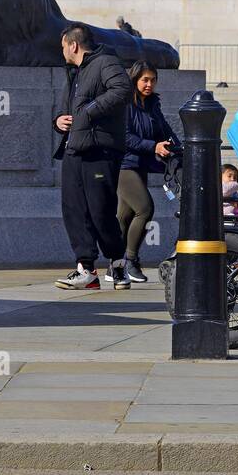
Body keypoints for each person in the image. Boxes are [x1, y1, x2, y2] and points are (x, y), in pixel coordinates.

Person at [53, 23, 132, 291]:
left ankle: (118, 264)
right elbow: (70, 109)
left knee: (101, 209)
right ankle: (86, 269)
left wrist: (90, 111)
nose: (62, 52)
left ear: (73, 45)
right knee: (74, 209)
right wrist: (59, 121)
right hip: (75, 148)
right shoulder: (76, 72)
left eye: (63, 46)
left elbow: (122, 90)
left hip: (100, 150)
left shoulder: (104, 62)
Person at [116, 60, 183, 283]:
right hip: (123, 164)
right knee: (145, 209)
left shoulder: (152, 103)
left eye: (153, 80)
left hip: (141, 164)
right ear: (134, 80)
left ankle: (115, 265)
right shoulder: (124, 103)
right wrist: (153, 146)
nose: (149, 84)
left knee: (124, 217)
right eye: (145, 80)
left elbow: (164, 128)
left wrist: (177, 145)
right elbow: (125, 137)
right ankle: (131, 260)